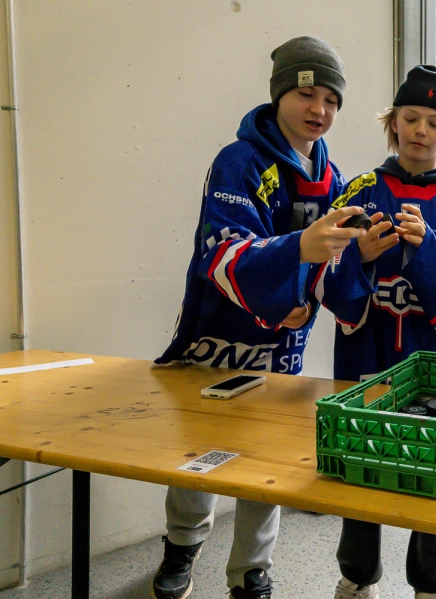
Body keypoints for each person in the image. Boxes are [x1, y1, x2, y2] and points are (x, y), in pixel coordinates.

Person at [152, 37, 366, 599]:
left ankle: (252, 569)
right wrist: (297, 254)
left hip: (281, 350)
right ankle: (182, 544)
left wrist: (330, 278)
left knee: (265, 461)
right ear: (278, 96)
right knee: (198, 452)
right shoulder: (238, 160)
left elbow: (331, 266)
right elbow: (221, 254)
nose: (319, 109)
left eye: (332, 100)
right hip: (216, 341)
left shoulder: (333, 176)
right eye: (307, 95)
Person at [312, 65, 436, 599]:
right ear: (392, 122)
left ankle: (431, 586)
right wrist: (361, 259)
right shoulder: (359, 189)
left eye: (434, 122)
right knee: (360, 465)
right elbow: (322, 273)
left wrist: (430, 247)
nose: (420, 130)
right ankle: (356, 577)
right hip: (365, 359)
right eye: (411, 117)